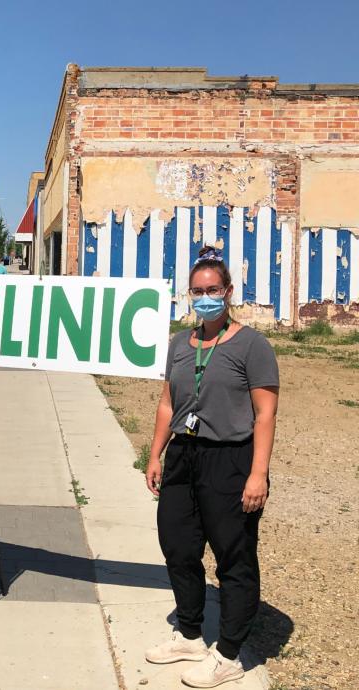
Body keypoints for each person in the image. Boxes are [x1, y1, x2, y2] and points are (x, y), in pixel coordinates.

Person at [143, 246, 279, 688]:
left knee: (233, 556)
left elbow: (265, 414)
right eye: (197, 291)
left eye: (213, 290)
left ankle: (230, 653)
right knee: (178, 545)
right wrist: (155, 453)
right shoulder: (180, 344)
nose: (205, 298)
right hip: (184, 454)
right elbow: (168, 403)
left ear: (228, 291)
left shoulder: (252, 346)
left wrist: (258, 474)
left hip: (230, 458)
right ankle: (189, 634)